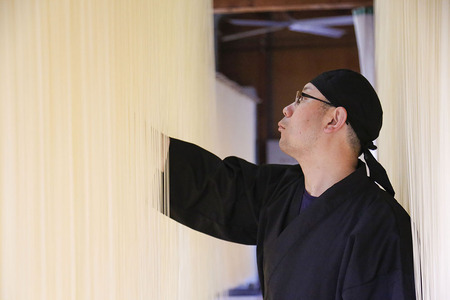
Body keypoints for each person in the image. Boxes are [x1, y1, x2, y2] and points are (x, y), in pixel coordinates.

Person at [168, 69, 415, 299]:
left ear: (334, 119)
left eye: (302, 98)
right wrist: (142, 143)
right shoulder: (280, 190)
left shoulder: (380, 221)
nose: (287, 109)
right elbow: (217, 188)